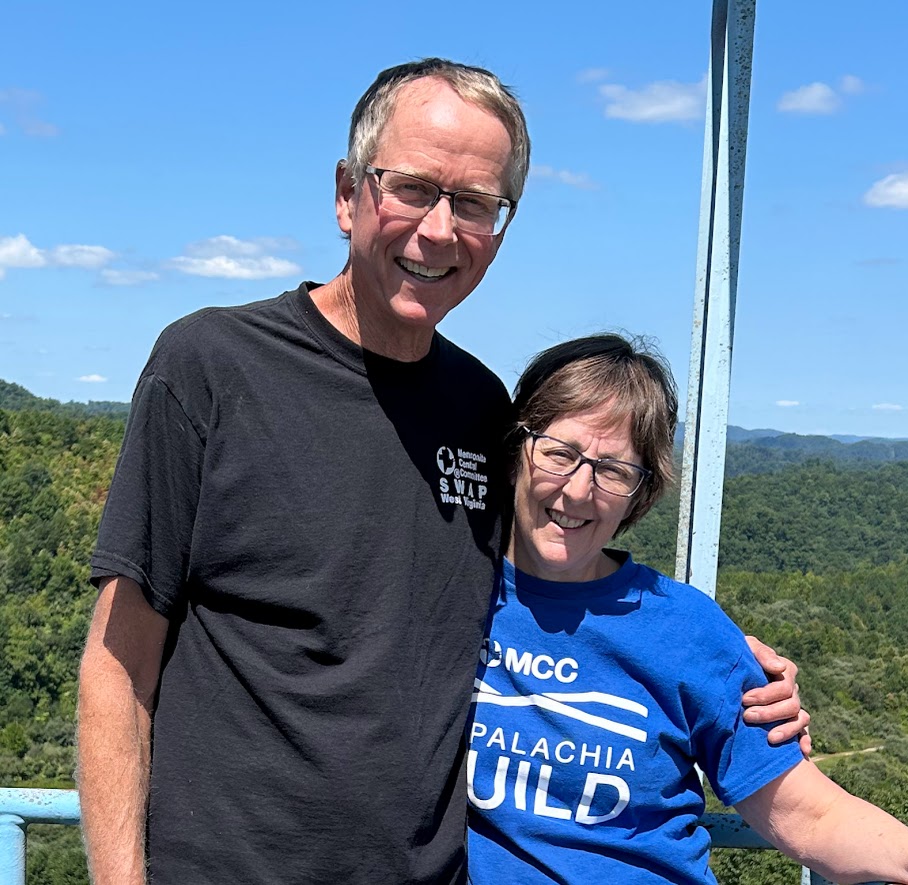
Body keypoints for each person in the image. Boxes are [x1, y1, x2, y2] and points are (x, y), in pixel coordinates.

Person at [76, 59, 805, 885]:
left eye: (474, 204)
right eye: (412, 188)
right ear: (348, 193)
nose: (437, 230)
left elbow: (546, 585)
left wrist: (721, 666)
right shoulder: (211, 364)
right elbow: (118, 659)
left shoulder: (481, 408)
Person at [466, 333, 908, 885]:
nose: (576, 490)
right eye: (559, 452)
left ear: (639, 493)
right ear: (517, 451)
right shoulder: (446, 588)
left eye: (613, 471)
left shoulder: (685, 629)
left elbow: (809, 816)